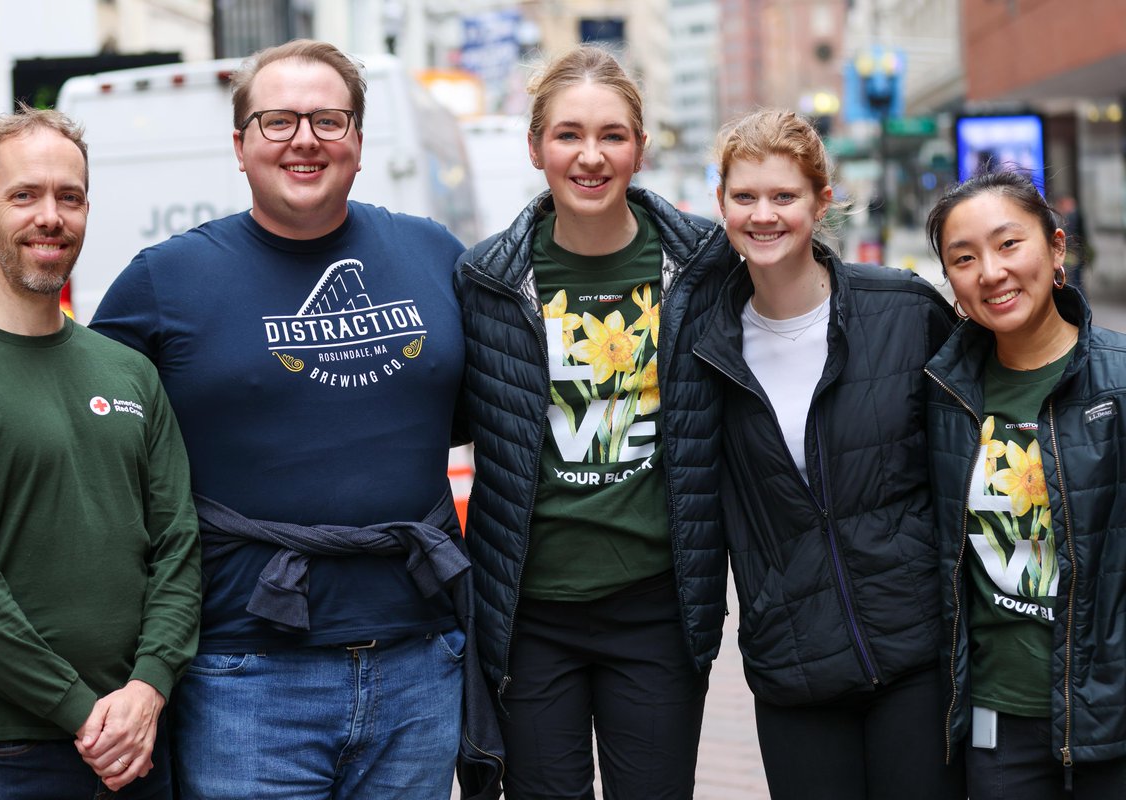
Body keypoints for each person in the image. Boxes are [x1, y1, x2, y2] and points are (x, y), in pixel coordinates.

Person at [90, 39, 499, 800]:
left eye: (327, 120)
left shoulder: (434, 254)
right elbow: (91, 448)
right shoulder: (164, 281)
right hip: (247, 675)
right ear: (240, 146)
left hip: (418, 664)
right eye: (277, 121)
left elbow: (490, 407)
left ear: (359, 143)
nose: (304, 139)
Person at [454, 45, 730, 799]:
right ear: (537, 146)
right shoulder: (486, 279)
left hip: (658, 609)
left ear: (640, 147)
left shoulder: (703, 264)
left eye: (612, 135)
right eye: (568, 134)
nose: (590, 155)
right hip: (530, 616)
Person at [0, 107, 200, 798]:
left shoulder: (128, 371)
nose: (51, 216)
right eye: (25, 195)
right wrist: (87, 714)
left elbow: (177, 544)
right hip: (3, 755)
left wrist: (148, 686)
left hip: (140, 737)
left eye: (69, 197)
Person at [696, 109, 964, 800]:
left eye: (784, 196)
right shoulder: (705, 345)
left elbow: (967, 461)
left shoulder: (902, 310)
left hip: (916, 659)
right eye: (744, 197)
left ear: (822, 201)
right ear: (720, 204)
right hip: (794, 666)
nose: (764, 215)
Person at [924, 169, 1126, 798]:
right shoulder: (941, 393)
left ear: (1056, 248)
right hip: (998, 717)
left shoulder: (1118, 380)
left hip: (1112, 716)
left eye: (1009, 244)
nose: (991, 272)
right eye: (965, 258)